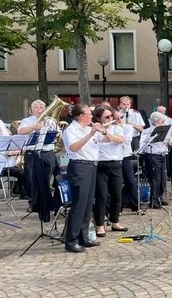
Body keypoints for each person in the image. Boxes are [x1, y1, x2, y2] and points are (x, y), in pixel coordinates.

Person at [61, 104, 106, 253]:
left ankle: (84, 237)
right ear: (81, 116)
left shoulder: (88, 128)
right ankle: (71, 240)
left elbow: (105, 139)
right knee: (79, 205)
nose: (91, 117)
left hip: (92, 166)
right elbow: (74, 148)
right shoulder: (71, 130)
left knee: (88, 204)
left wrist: (103, 130)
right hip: (79, 167)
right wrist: (91, 134)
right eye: (88, 114)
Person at [18, 100, 59, 216]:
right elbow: (20, 132)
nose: (39, 109)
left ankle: (45, 202)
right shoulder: (27, 121)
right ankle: (33, 202)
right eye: (36, 107)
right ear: (31, 110)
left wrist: (57, 135)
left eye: (42, 107)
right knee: (31, 178)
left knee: (47, 179)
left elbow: (57, 134)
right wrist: (34, 127)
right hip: (32, 153)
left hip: (48, 151)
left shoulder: (51, 121)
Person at [92, 105, 128, 237]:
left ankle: (115, 221)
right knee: (101, 196)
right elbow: (103, 139)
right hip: (100, 165)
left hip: (116, 164)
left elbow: (120, 140)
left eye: (111, 116)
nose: (110, 118)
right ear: (99, 118)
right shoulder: (94, 130)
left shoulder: (117, 128)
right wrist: (107, 136)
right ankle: (100, 225)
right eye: (107, 117)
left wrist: (107, 134)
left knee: (117, 195)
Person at [141, 112, 171, 209]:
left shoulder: (165, 130)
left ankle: (160, 197)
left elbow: (167, 141)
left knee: (162, 178)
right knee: (155, 179)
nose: (164, 123)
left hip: (162, 155)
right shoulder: (147, 131)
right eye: (162, 121)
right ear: (157, 121)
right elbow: (143, 146)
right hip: (152, 155)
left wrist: (170, 142)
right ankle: (153, 201)